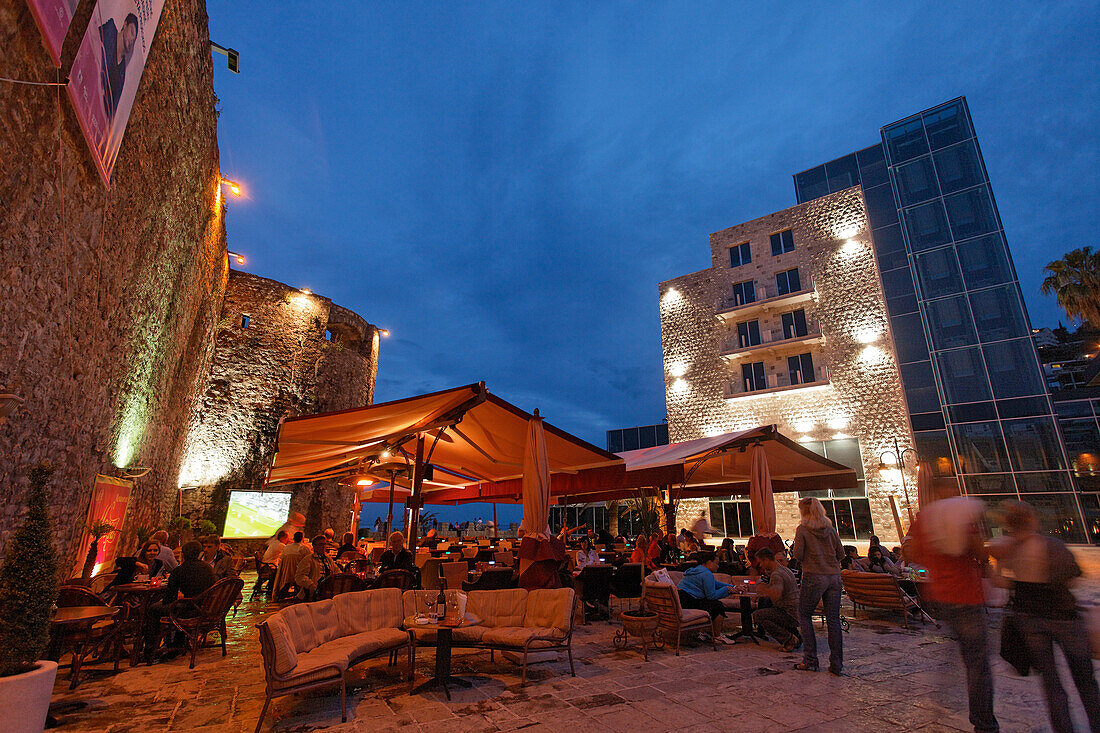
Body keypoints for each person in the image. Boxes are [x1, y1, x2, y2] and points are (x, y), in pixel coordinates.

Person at [989, 501, 1100, 733]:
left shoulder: (1007, 549)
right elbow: (1072, 575)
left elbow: (1002, 583)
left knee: (1050, 681)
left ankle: (1063, 728)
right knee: (1084, 679)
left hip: (1029, 618)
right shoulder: (1051, 545)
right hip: (1063, 617)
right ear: (1031, 520)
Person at [906, 496, 997, 733]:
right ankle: (985, 723)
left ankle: (943, 695)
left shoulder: (924, 518)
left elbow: (913, 553)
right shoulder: (960, 515)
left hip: (940, 595)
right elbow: (978, 549)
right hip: (966, 595)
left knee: (962, 653)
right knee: (978, 664)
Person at [791, 497, 845, 675]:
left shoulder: (803, 529)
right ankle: (836, 663)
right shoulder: (830, 529)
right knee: (833, 619)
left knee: (805, 615)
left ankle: (810, 659)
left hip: (814, 575)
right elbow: (841, 553)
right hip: (834, 577)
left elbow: (798, 554)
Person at [143, 541, 214, 661]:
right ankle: (177, 643)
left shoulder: (179, 571)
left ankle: (150, 650)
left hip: (187, 609)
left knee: (152, 609)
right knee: (177, 607)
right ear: (199, 553)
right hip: (205, 608)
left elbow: (169, 598)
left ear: (183, 554)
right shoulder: (208, 568)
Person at [752, 547, 801, 651]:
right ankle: (794, 635)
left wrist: (763, 588)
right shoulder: (785, 570)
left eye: (760, 562)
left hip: (789, 613)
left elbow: (776, 595)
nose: (760, 565)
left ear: (766, 560)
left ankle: (788, 640)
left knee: (758, 615)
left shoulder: (777, 574)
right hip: (796, 611)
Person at [676, 552, 731, 638]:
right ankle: (717, 636)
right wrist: (727, 590)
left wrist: (732, 587)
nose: (718, 566)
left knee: (710, 603)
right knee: (717, 606)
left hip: (681, 600)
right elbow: (711, 596)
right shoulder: (706, 574)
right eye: (716, 563)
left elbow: (714, 583)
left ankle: (704, 632)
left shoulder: (696, 570)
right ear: (709, 562)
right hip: (689, 602)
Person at [98, 12, 138, 117]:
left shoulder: (122, 73)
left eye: (134, 40)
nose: (131, 40)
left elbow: (112, 110)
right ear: (125, 25)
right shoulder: (109, 30)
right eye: (132, 32)